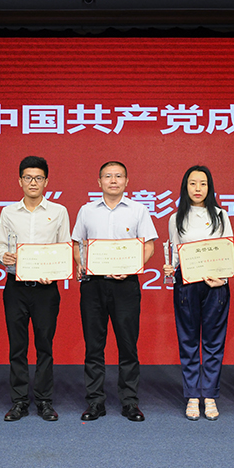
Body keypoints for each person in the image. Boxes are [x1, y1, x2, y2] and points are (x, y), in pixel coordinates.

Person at [71, 161, 158, 422]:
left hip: (125, 286)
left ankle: (130, 402)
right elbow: (77, 244)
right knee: (93, 346)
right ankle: (95, 401)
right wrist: (81, 263)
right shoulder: (87, 211)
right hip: (93, 285)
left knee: (128, 345)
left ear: (126, 181)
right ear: (99, 182)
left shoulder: (138, 210)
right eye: (108, 176)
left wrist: (132, 266)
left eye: (118, 176)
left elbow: (149, 246)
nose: (113, 180)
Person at [0, 156, 71, 422]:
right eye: (28, 178)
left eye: (38, 178)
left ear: (46, 182)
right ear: (20, 181)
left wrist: (54, 272)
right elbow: (0, 247)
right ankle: (18, 401)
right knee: (17, 346)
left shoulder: (59, 211)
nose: (33, 182)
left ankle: (44, 400)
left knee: (44, 346)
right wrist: (4, 257)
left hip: (45, 290)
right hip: (15, 286)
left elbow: (64, 249)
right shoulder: (8, 213)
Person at [162, 165, 233, 421]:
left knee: (213, 342)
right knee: (188, 340)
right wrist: (170, 267)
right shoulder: (176, 218)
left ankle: (210, 395)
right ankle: (193, 395)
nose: (198, 188)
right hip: (187, 284)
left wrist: (222, 278)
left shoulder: (220, 215)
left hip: (216, 285)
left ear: (209, 187)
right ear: (185, 187)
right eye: (192, 183)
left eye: (203, 183)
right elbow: (175, 252)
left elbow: (227, 250)